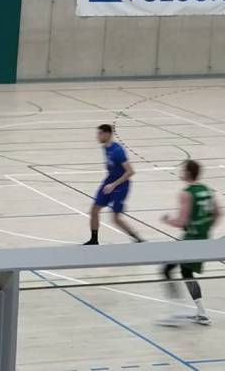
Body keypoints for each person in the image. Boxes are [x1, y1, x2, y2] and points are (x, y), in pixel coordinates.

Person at [158, 159, 217, 327]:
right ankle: (202, 313)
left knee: (167, 270)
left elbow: (181, 222)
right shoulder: (206, 190)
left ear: (189, 173)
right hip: (203, 238)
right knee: (186, 273)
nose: (181, 172)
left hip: (190, 240)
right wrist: (204, 228)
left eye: (183, 170)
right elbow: (217, 214)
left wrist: (167, 220)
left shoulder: (186, 193)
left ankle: (175, 313)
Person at [83, 124, 144, 245]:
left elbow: (130, 171)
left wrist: (113, 185)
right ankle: (94, 240)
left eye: (100, 134)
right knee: (94, 210)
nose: (97, 137)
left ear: (107, 134)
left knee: (115, 218)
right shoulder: (105, 147)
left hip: (120, 185)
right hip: (109, 181)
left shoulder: (118, 151)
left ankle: (137, 239)